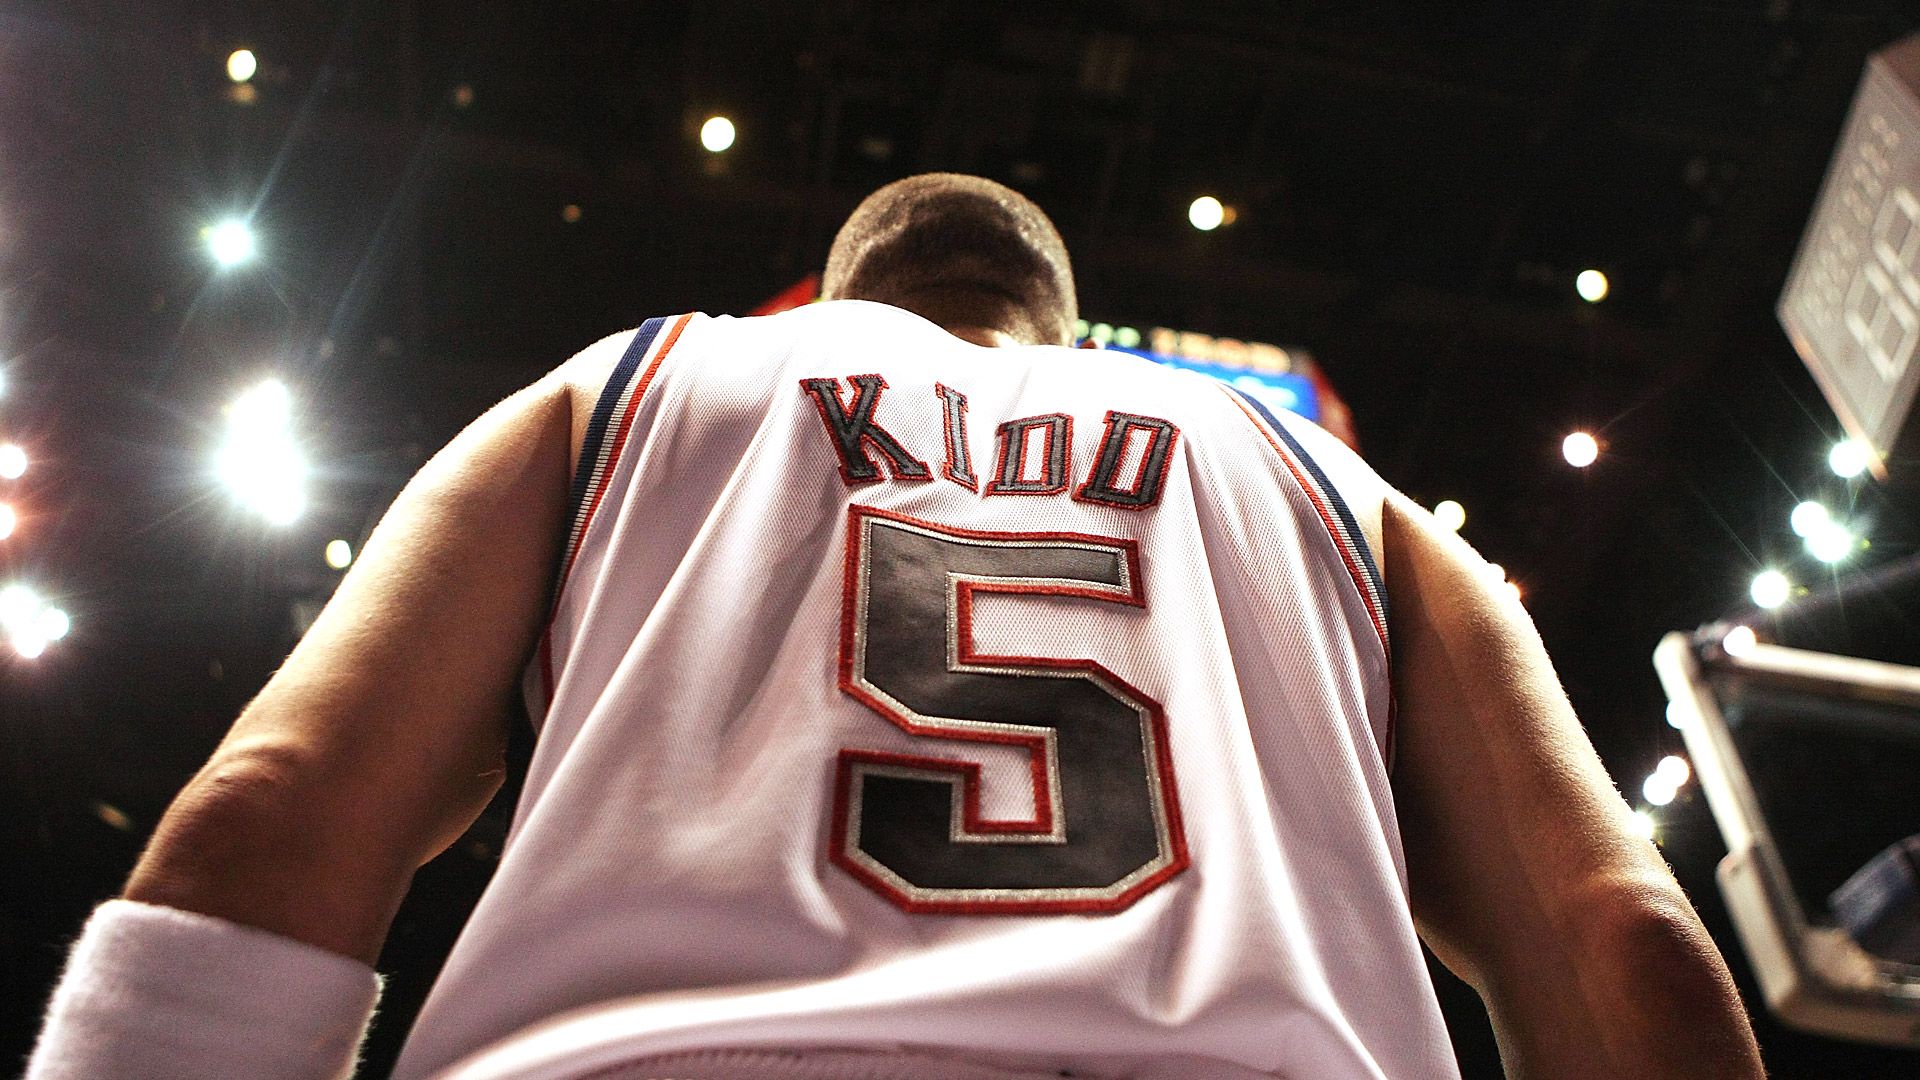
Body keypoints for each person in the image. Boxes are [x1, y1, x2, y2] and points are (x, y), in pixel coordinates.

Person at [27, 174, 1765, 1079]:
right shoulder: (1333, 489)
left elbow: (269, 820)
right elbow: (1627, 955)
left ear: (847, 296)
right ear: (1064, 321)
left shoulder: (632, 385)